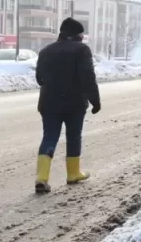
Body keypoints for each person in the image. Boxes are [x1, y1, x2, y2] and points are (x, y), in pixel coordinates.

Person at [34, 17, 101, 194]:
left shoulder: (46, 51)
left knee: (49, 136)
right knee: (73, 136)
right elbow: (88, 77)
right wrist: (95, 100)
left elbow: (39, 78)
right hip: (74, 103)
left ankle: (41, 178)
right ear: (77, 35)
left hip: (48, 103)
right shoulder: (82, 50)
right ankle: (73, 173)